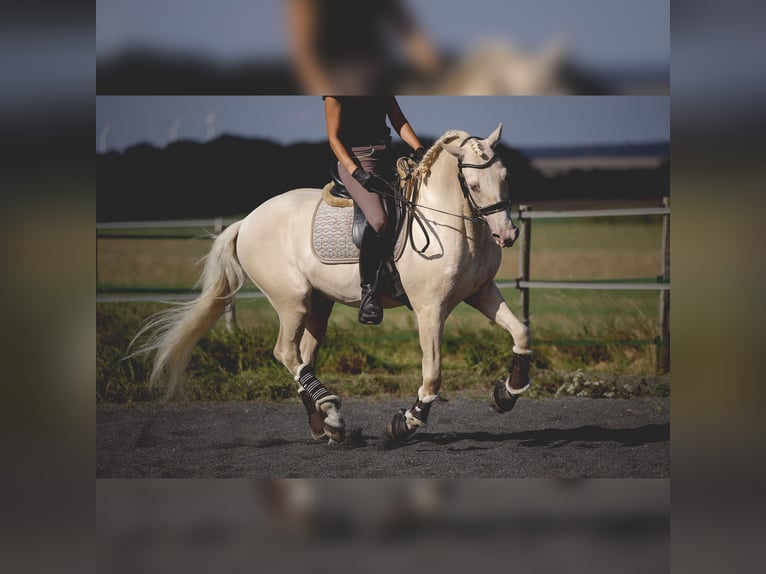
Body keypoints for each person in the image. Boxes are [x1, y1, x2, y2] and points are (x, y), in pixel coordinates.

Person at [323, 96, 427, 324]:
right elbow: (334, 138)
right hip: (357, 161)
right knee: (379, 221)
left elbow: (398, 120)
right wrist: (357, 172)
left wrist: (419, 149)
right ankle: (369, 293)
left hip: (388, 157)